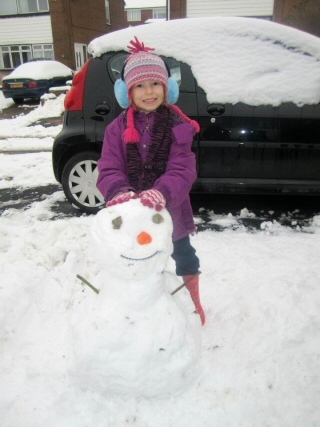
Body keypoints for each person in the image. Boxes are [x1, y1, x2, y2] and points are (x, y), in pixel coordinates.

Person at [97, 37, 205, 325]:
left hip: (172, 206)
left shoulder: (178, 126)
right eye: (140, 86)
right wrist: (118, 191)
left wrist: (162, 192)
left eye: (155, 84)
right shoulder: (115, 129)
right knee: (140, 256)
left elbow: (183, 168)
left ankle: (193, 301)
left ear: (167, 88)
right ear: (127, 92)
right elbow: (108, 166)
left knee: (184, 254)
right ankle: (145, 307)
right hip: (132, 212)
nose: (149, 92)